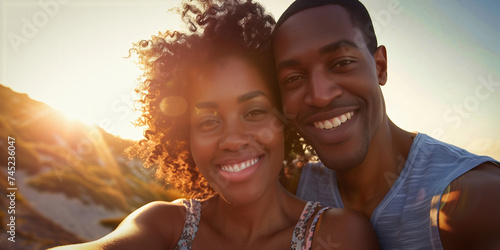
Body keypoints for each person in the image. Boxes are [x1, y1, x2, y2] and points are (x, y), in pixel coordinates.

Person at [50, 0, 379, 249]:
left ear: (285, 121)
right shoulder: (164, 224)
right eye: (208, 120)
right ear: (184, 136)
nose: (233, 140)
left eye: (254, 112)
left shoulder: (340, 234)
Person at [271, 0, 500, 249]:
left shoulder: (478, 200)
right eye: (293, 78)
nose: (319, 95)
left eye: (342, 63)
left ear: (380, 66)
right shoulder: (289, 186)